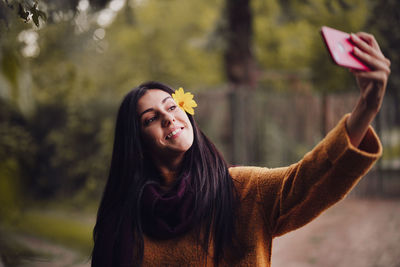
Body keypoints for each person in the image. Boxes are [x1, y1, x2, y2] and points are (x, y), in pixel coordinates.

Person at [91, 32, 391, 266]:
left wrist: (366, 106)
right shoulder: (122, 223)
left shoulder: (242, 190)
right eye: (151, 118)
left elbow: (310, 177)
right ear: (137, 143)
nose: (168, 116)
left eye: (172, 106)